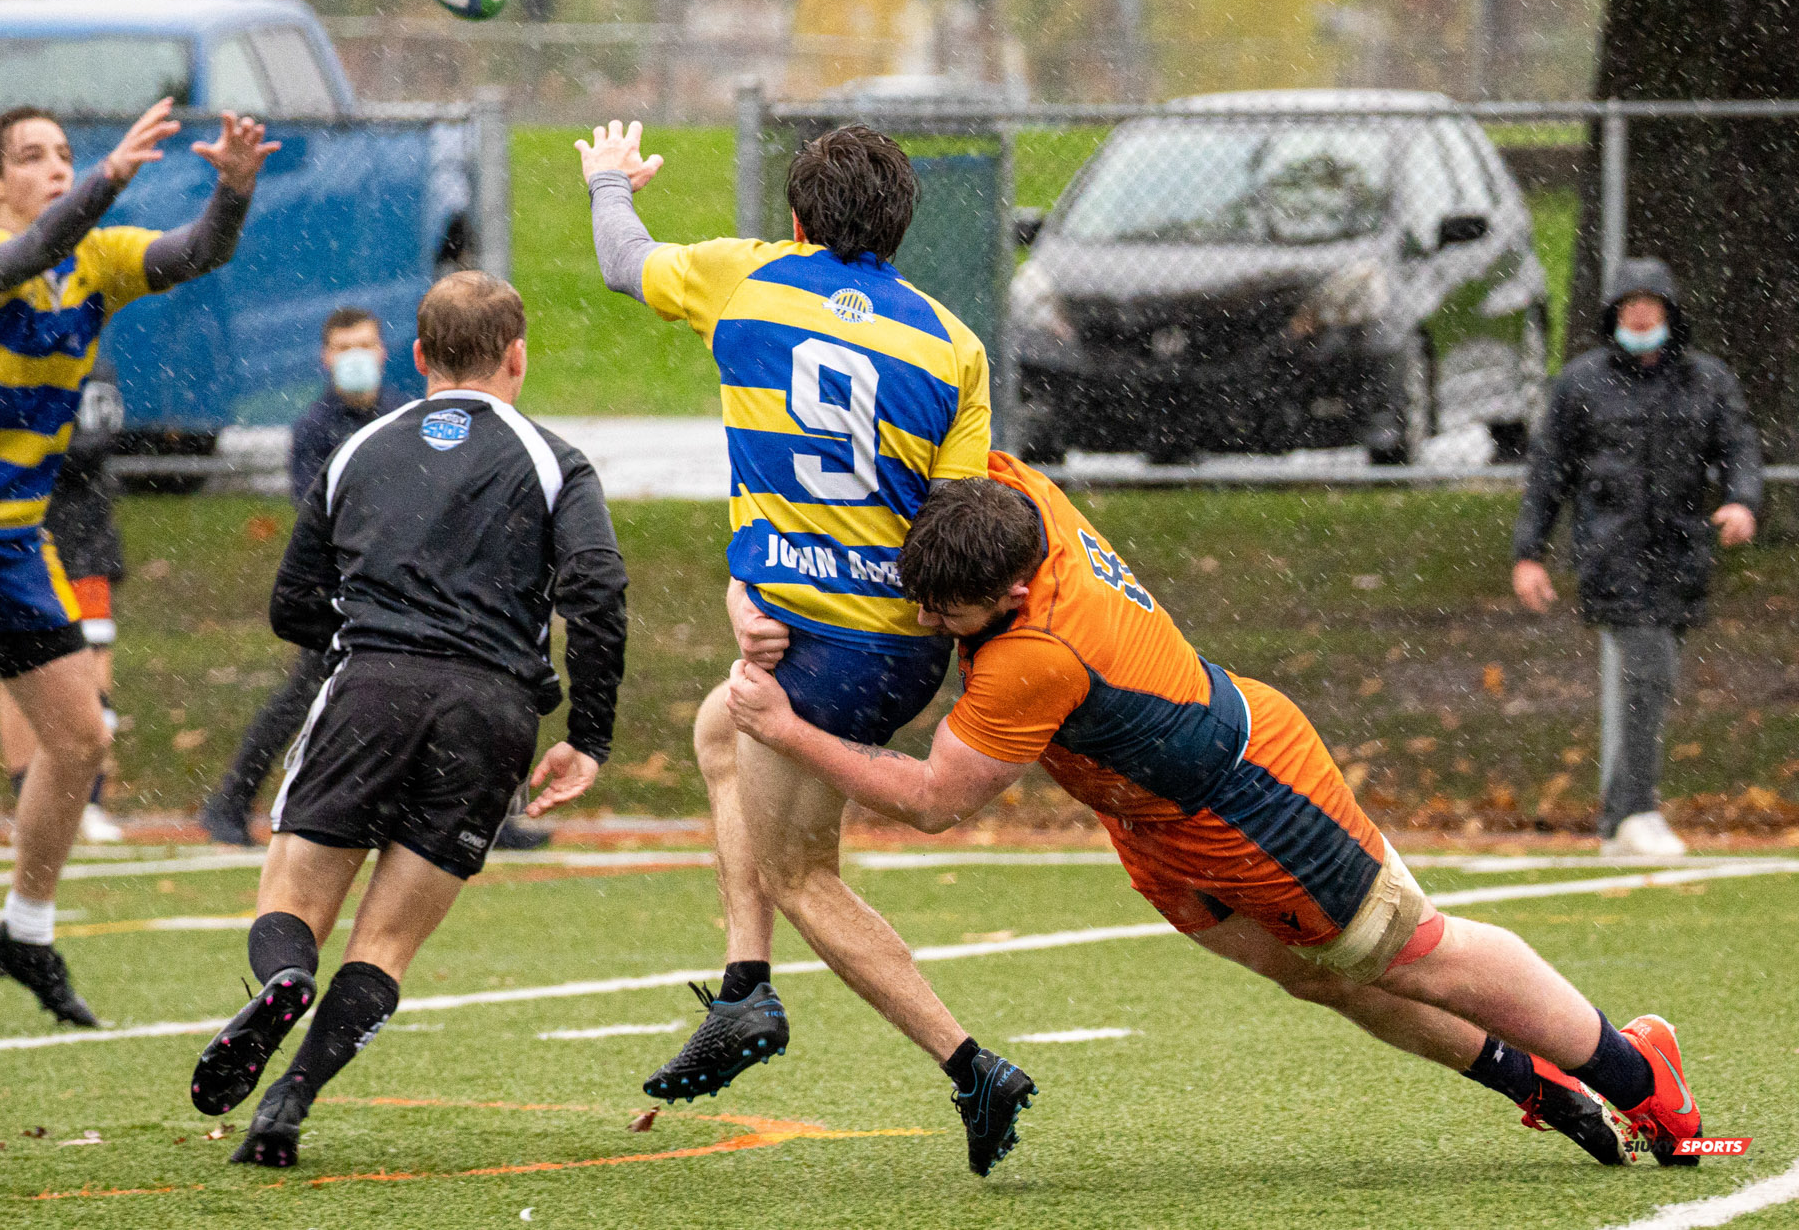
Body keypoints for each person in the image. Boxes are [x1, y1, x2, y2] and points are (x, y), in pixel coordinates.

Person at [727, 455, 1708, 1169]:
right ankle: (1531, 1082)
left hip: (1251, 801)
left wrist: (786, 729)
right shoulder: (1010, 491)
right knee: (1313, 976)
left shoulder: (1036, 655)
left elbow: (934, 800)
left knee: (1410, 950)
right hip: (1150, 816)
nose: (923, 626)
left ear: (1015, 592)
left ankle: (1638, 1076)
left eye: (941, 616)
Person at [583, 119, 1034, 1177]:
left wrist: (610, 179)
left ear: (795, 218)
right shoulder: (949, 342)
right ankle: (745, 989)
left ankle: (970, 1066)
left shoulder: (746, 280)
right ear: (900, 227)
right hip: (894, 642)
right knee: (715, 731)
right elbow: (956, 528)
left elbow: (618, 258)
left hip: (814, 648)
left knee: (802, 871)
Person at [0, 99, 274, 1023]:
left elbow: (198, 254)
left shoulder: (100, 260)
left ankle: (25, 930)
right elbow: (26, 255)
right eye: (33, 156)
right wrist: (111, 178)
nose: (58, 167)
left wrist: (233, 192)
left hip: (15, 533)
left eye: (66, 154)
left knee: (82, 740)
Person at [188, 271, 627, 1167]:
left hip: (371, 687)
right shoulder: (553, 459)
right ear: (518, 356)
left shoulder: (359, 449)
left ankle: (282, 980)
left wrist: (374, 639)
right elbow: (599, 589)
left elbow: (293, 605)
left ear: (419, 357)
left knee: (294, 902)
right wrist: (590, 732)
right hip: (492, 713)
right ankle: (289, 1103)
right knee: (387, 938)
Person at [1512, 258, 1762, 858]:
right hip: (1611, 555)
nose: (1640, 314)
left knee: (1654, 682)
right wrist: (1530, 553)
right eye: (1629, 304)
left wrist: (1742, 501)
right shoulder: (1582, 383)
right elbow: (1549, 474)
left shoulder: (1707, 380)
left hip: (1682, 554)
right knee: (1650, 673)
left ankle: (1617, 820)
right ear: (1614, 314)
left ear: (1671, 313)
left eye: (1651, 303)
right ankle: (1637, 811)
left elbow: (1739, 446)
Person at [197, 308, 410, 846]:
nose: (355, 358)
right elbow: (320, 516)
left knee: (429, 693)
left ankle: (482, 818)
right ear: (325, 358)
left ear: (384, 352)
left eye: (364, 344)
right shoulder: (316, 430)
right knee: (305, 696)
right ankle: (230, 802)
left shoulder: (405, 418)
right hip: (344, 591)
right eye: (343, 348)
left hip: (404, 588)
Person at [0, 359, 127, 844]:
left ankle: (86, 801)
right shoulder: (7, 354)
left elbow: (91, 444)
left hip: (84, 541)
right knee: (15, 671)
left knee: (93, 668)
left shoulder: (93, 361)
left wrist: (37, 436)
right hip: (17, 536)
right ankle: (27, 798)